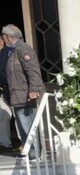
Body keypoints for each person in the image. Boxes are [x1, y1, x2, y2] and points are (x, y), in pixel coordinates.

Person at [2, 24, 45, 160]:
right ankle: (30, 153)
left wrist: (33, 89)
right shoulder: (13, 51)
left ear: (8, 36)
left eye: (3, 36)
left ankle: (34, 154)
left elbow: (32, 71)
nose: (3, 39)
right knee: (23, 127)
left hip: (25, 96)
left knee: (28, 126)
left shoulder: (22, 49)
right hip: (18, 96)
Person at [0, 35, 13, 151]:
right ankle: (5, 143)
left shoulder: (9, 52)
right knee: (3, 116)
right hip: (2, 92)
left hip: (12, 90)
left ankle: (25, 143)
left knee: (8, 115)